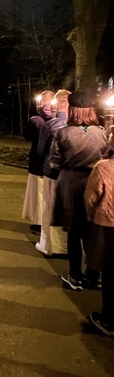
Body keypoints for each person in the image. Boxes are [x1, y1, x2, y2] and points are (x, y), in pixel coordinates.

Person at [49, 90, 107, 291]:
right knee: (92, 230)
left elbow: (54, 162)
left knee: (74, 230)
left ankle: (75, 275)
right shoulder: (101, 132)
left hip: (71, 183)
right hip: (94, 181)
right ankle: (94, 275)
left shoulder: (63, 133)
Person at [85, 129, 114, 336]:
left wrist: (92, 217)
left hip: (107, 227)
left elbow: (91, 198)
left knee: (110, 272)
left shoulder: (103, 167)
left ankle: (108, 320)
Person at [35, 89, 70, 256]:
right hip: (71, 176)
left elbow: (41, 150)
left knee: (49, 208)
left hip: (52, 173)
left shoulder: (50, 125)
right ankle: (66, 246)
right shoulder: (83, 127)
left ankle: (49, 245)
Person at [22, 90, 55, 234]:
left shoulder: (37, 120)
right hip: (53, 165)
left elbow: (28, 135)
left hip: (38, 161)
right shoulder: (60, 119)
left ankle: (39, 223)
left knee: (39, 194)